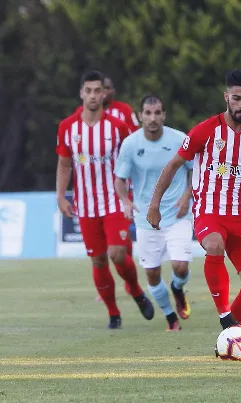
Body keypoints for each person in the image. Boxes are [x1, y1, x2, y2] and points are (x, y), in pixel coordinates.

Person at [147, 69, 241, 330]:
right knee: (214, 245)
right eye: (236, 98)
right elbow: (173, 166)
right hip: (209, 212)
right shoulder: (205, 131)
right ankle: (225, 315)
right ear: (226, 97)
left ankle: (232, 333)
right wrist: (154, 205)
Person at [56, 70, 155, 329]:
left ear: (103, 93)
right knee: (98, 259)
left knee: (118, 254)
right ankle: (113, 313)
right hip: (85, 205)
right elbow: (64, 164)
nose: (92, 95)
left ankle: (135, 291)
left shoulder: (118, 126)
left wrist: (132, 195)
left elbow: (133, 159)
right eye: (87, 91)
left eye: (96, 91)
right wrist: (60, 196)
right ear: (81, 93)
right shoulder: (68, 127)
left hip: (114, 201)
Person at [114, 95, 193, 331]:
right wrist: (126, 202)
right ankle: (171, 317)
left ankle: (178, 289)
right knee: (151, 273)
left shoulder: (179, 139)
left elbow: (195, 171)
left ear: (164, 115)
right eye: (147, 113)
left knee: (180, 266)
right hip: (146, 218)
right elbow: (120, 179)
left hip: (177, 214)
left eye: (157, 113)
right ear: (140, 116)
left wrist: (186, 197)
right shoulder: (130, 144)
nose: (152, 118)